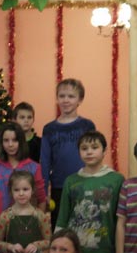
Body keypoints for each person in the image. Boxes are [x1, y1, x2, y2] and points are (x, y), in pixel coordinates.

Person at [40, 78, 96, 226]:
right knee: (60, 226)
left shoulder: (87, 125)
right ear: (57, 98)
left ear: (80, 100)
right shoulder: (49, 129)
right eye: (62, 96)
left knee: (85, 226)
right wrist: (43, 192)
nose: (66, 100)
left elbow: (95, 156)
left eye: (71, 96)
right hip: (59, 187)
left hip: (85, 183)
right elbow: (45, 162)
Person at [0, 121, 46, 228]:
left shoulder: (34, 167)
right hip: (0, 226)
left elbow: (41, 198)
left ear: (21, 142)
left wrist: (37, 225)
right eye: (6, 140)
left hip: (27, 227)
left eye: (14, 140)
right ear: (1, 143)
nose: (10, 145)